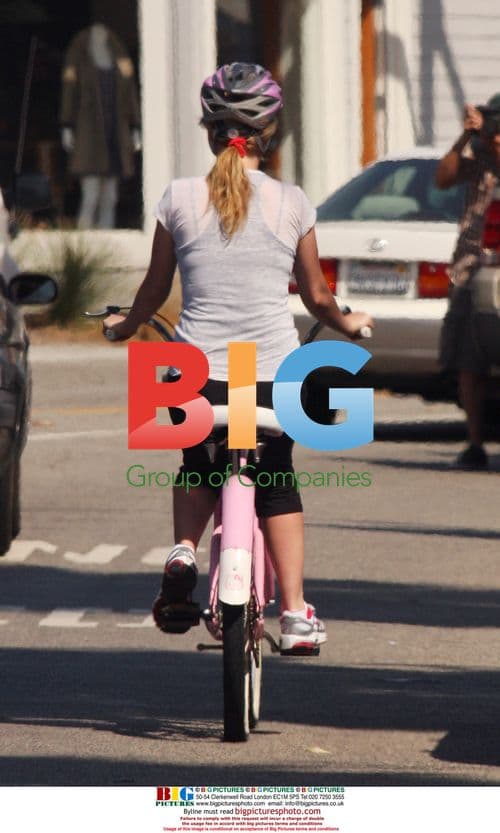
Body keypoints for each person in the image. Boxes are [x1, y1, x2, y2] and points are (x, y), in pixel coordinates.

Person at [104, 62, 373, 652]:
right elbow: (317, 296)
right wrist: (348, 322)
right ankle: (297, 613)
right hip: (271, 378)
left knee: (196, 465)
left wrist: (125, 327)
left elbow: (153, 292)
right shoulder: (292, 203)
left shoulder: (177, 198)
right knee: (276, 482)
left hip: (193, 379)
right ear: (269, 134)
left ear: (208, 129)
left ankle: (182, 552)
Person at [436, 94, 500, 470]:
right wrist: (464, 138)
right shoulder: (477, 166)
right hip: (471, 270)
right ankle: (474, 441)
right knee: (469, 361)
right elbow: (443, 177)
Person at [60, 23, 141, 229]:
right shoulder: (78, 51)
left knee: (110, 195)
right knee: (91, 193)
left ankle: (107, 238)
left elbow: (129, 90)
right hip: (89, 133)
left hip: (115, 133)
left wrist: (134, 127)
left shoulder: (118, 51)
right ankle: (84, 242)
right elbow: (69, 90)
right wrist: (67, 124)